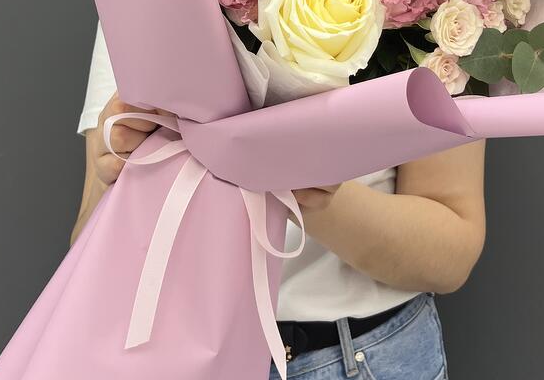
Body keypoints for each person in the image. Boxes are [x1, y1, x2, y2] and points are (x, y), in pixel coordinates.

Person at [73, 25, 487, 379]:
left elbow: (449, 255)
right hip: (175, 359)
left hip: (358, 353)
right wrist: (124, 176)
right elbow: (87, 250)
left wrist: (300, 183)